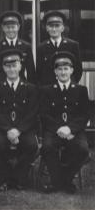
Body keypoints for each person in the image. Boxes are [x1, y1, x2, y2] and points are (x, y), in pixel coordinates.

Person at [40, 51, 90, 194]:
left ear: (72, 70)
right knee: (47, 147)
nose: (63, 72)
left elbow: (85, 115)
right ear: (55, 71)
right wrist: (59, 129)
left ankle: (63, 180)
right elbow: (44, 114)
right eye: (60, 69)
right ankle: (58, 182)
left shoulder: (81, 90)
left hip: (74, 131)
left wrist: (71, 129)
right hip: (53, 130)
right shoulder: (47, 90)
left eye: (66, 69)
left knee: (83, 150)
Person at [0, 49, 39, 192]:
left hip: (24, 128)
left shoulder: (31, 88)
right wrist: (8, 130)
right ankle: (6, 176)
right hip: (2, 128)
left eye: (14, 65)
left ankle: (16, 176)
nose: (11, 69)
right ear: (3, 68)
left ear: (20, 67)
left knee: (32, 146)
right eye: (8, 66)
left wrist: (18, 130)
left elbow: (32, 112)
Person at [0, 10, 36, 85]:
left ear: (18, 27)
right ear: (3, 28)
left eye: (13, 27)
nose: (10, 30)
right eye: (8, 27)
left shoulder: (26, 46)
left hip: (21, 86)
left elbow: (31, 72)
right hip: (2, 87)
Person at [37, 10, 82, 85]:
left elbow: (78, 70)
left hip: (67, 89)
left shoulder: (73, 45)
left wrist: (70, 84)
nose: (54, 29)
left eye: (57, 26)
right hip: (48, 91)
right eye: (51, 26)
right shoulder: (41, 48)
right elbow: (39, 72)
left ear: (62, 28)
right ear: (47, 28)